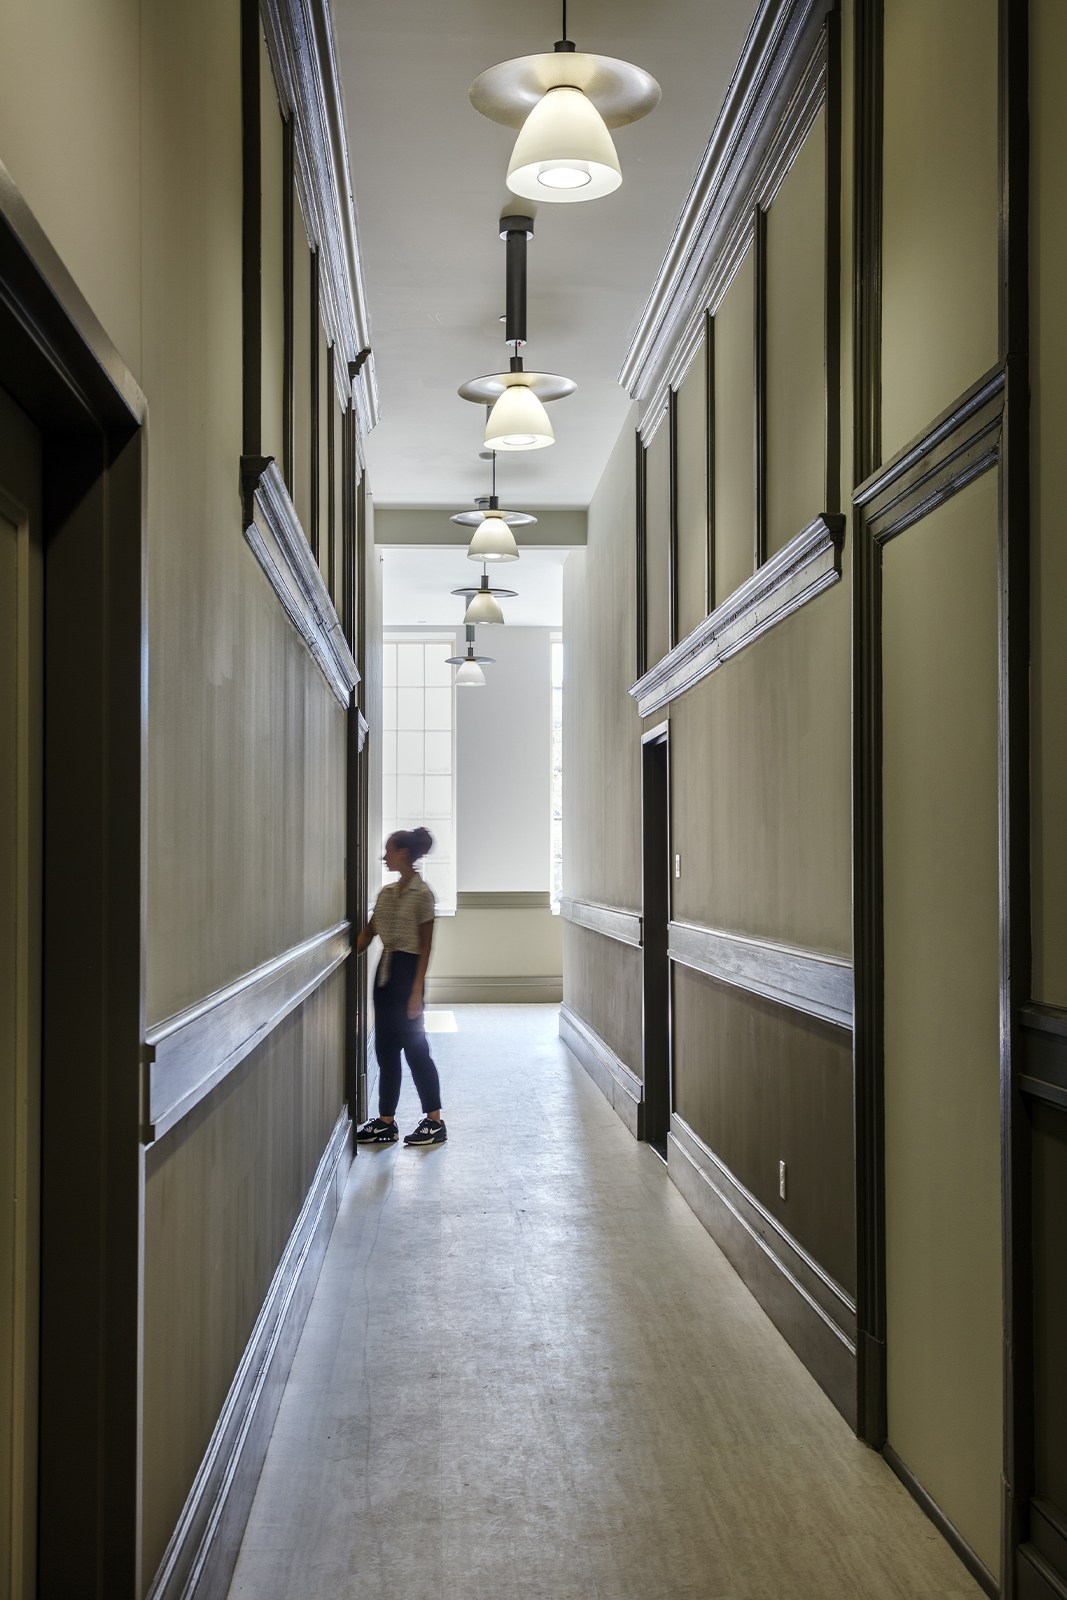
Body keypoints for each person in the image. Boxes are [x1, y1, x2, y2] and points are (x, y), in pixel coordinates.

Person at [354, 826, 447, 1147]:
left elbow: (425, 947)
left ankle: (434, 1121)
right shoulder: (386, 894)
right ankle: (386, 1121)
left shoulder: (423, 895)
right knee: (385, 1049)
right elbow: (368, 934)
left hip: (409, 973)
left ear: (404, 854)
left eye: (389, 850)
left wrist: (416, 993)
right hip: (385, 974)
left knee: (416, 1049)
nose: (385, 856)